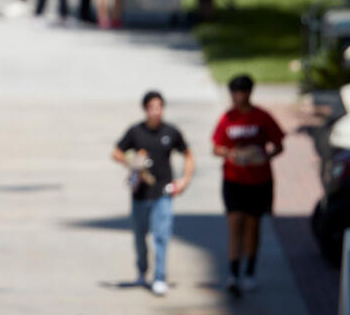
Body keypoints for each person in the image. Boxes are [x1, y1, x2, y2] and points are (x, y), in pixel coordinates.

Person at [112, 91, 195, 297]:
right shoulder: (136, 132)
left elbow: (188, 154)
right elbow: (116, 152)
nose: (156, 111)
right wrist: (130, 161)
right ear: (145, 110)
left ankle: (159, 277)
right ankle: (142, 270)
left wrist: (185, 179)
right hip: (140, 193)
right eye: (152, 107)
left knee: (161, 236)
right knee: (140, 236)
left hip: (163, 192)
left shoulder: (171, 132)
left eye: (159, 107)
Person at [212, 74, 285, 295]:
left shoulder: (262, 117)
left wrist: (265, 157)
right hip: (233, 179)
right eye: (233, 92)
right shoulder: (227, 118)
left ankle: (250, 271)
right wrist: (230, 153)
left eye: (241, 92)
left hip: (259, 180)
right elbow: (216, 147)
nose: (237, 96)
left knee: (253, 225)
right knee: (235, 223)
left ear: (249, 93)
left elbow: (279, 144)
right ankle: (233, 273)